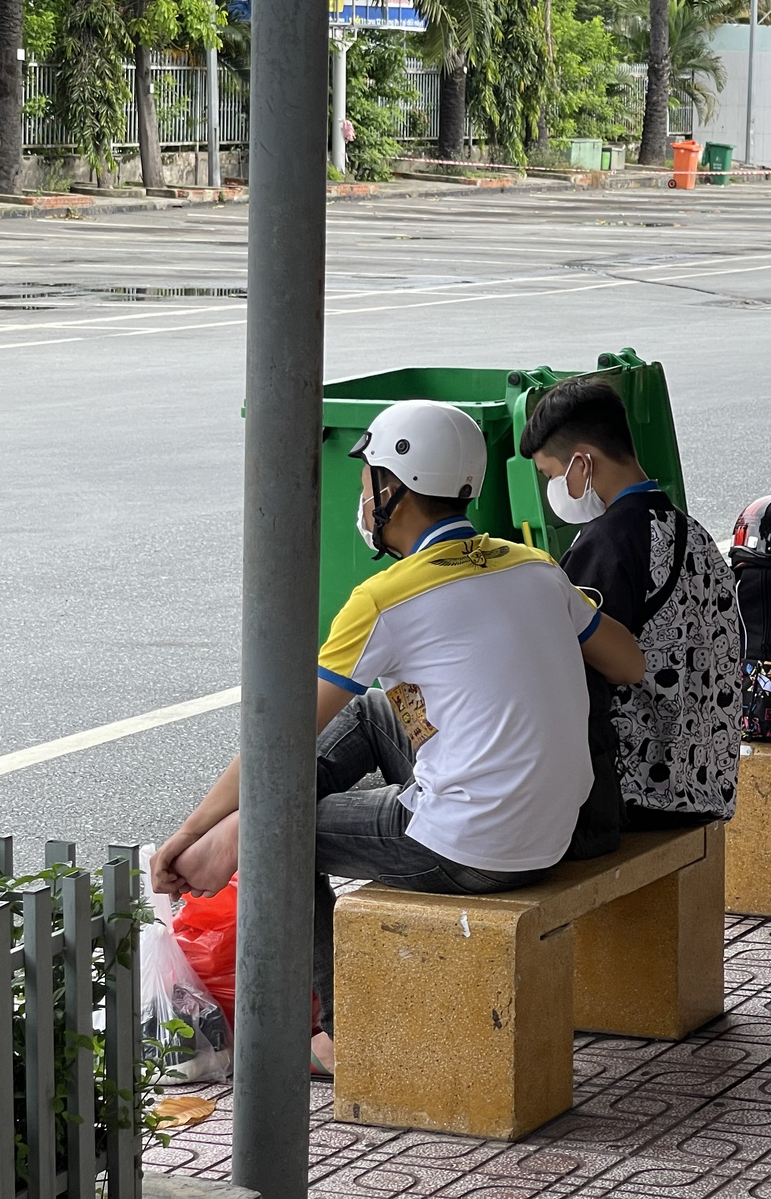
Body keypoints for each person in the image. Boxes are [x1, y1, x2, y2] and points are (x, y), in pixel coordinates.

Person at [149, 399, 645, 1076]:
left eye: (367, 480)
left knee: (283, 832)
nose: (361, 497)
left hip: (475, 845)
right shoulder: (534, 566)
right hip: (556, 828)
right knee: (376, 710)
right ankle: (254, 820)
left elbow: (282, 735)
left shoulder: (388, 597)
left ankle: (338, 1030)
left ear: (392, 489)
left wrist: (192, 830)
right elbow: (629, 662)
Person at [517, 378, 743, 853]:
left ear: (582, 462)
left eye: (550, 473)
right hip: (701, 786)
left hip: (632, 793)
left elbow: (567, 666)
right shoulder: (691, 532)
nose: (552, 489)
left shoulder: (609, 545)